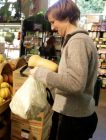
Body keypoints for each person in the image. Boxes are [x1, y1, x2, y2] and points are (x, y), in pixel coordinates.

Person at [30, 0, 98, 140]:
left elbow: (75, 83)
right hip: (76, 113)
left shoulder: (77, 42)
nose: (52, 27)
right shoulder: (77, 40)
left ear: (67, 18)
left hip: (72, 117)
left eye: (53, 22)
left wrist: (42, 74)